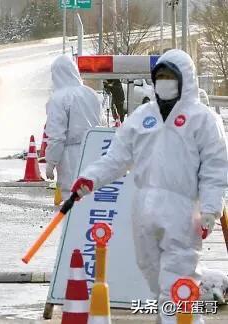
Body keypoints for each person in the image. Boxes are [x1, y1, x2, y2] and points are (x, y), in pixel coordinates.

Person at [71, 49, 228, 324]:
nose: (165, 82)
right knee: (153, 273)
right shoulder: (143, 116)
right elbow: (117, 158)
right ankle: (182, 318)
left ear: (185, 79)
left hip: (182, 209)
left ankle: (176, 319)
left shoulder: (202, 119)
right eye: (161, 76)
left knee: (177, 278)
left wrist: (211, 209)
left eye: (171, 76)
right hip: (143, 209)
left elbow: (216, 168)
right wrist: (89, 179)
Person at [44, 55, 102, 200]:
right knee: (91, 195)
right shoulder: (91, 94)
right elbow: (102, 124)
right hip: (93, 150)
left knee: (71, 194)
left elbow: (57, 136)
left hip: (70, 155)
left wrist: (51, 162)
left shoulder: (58, 98)